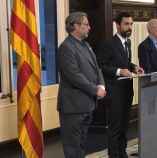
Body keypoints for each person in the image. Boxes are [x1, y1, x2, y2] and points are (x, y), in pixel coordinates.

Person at [57, 12, 106, 158]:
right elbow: (74, 76)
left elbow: (97, 68)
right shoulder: (66, 47)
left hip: (87, 103)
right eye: (86, 24)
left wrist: (101, 85)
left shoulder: (86, 45)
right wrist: (94, 89)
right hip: (73, 106)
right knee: (73, 147)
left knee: (82, 145)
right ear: (75, 26)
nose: (89, 28)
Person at [96, 12, 144, 158]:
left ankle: (122, 153)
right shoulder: (108, 43)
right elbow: (101, 65)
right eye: (126, 24)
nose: (129, 27)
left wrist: (134, 67)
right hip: (114, 92)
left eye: (131, 24)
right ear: (117, 25)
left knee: (124, 126)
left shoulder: (127, 42)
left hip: (127, 91)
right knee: (115, 128)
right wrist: (118, 71)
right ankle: (114, 155)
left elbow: (124, 62)